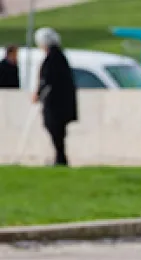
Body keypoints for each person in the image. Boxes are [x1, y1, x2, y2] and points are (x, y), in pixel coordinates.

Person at [33, 27, 77, 167]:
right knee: (56, 130)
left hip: (56, 103)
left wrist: (38, 93)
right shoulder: (57, 56)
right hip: (60, 102)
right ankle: (60, 157)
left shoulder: (54, 58)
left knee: (55, 128)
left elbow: (47, 80)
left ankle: (60, 158)